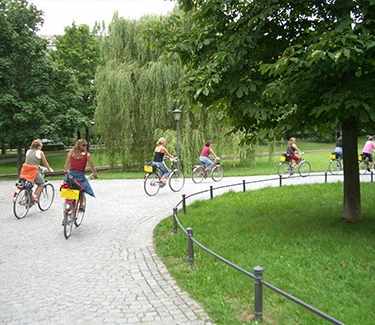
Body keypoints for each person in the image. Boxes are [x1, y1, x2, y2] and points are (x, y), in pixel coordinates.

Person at [64, 139, 97, 212]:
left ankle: (68, 206)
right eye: (84, 145)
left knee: (69, 187)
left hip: (70, 175)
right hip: (80, 176)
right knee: (82, 188)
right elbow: (92, 166)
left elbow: (66, 166)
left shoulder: (71, 153)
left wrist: (66, 172)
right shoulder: (87, 155)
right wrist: (95, 174)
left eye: (86, 145)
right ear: (79, 145)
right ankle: (81, 205)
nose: (85, 147)